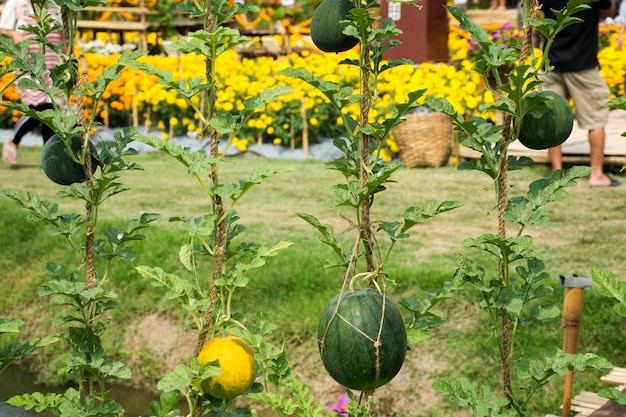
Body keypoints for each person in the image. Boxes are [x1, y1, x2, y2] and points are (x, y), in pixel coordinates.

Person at [538, 0, 619, 187]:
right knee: (596, 119)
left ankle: (557, 174)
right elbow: (610, 12)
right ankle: (597, 174)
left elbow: (534, 13)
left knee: (553, 121)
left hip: (551, 62)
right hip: (583, 65)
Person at [0, 0, 64, 167]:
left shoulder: (55, 5)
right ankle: (14, 142)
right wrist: (14, 35)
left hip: (53, 66)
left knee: (50, 111)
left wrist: (69, 59)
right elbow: (2, 28)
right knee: (39, 109)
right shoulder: (16, 3)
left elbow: (63, 36)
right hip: (29, 66)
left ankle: (47, 156)